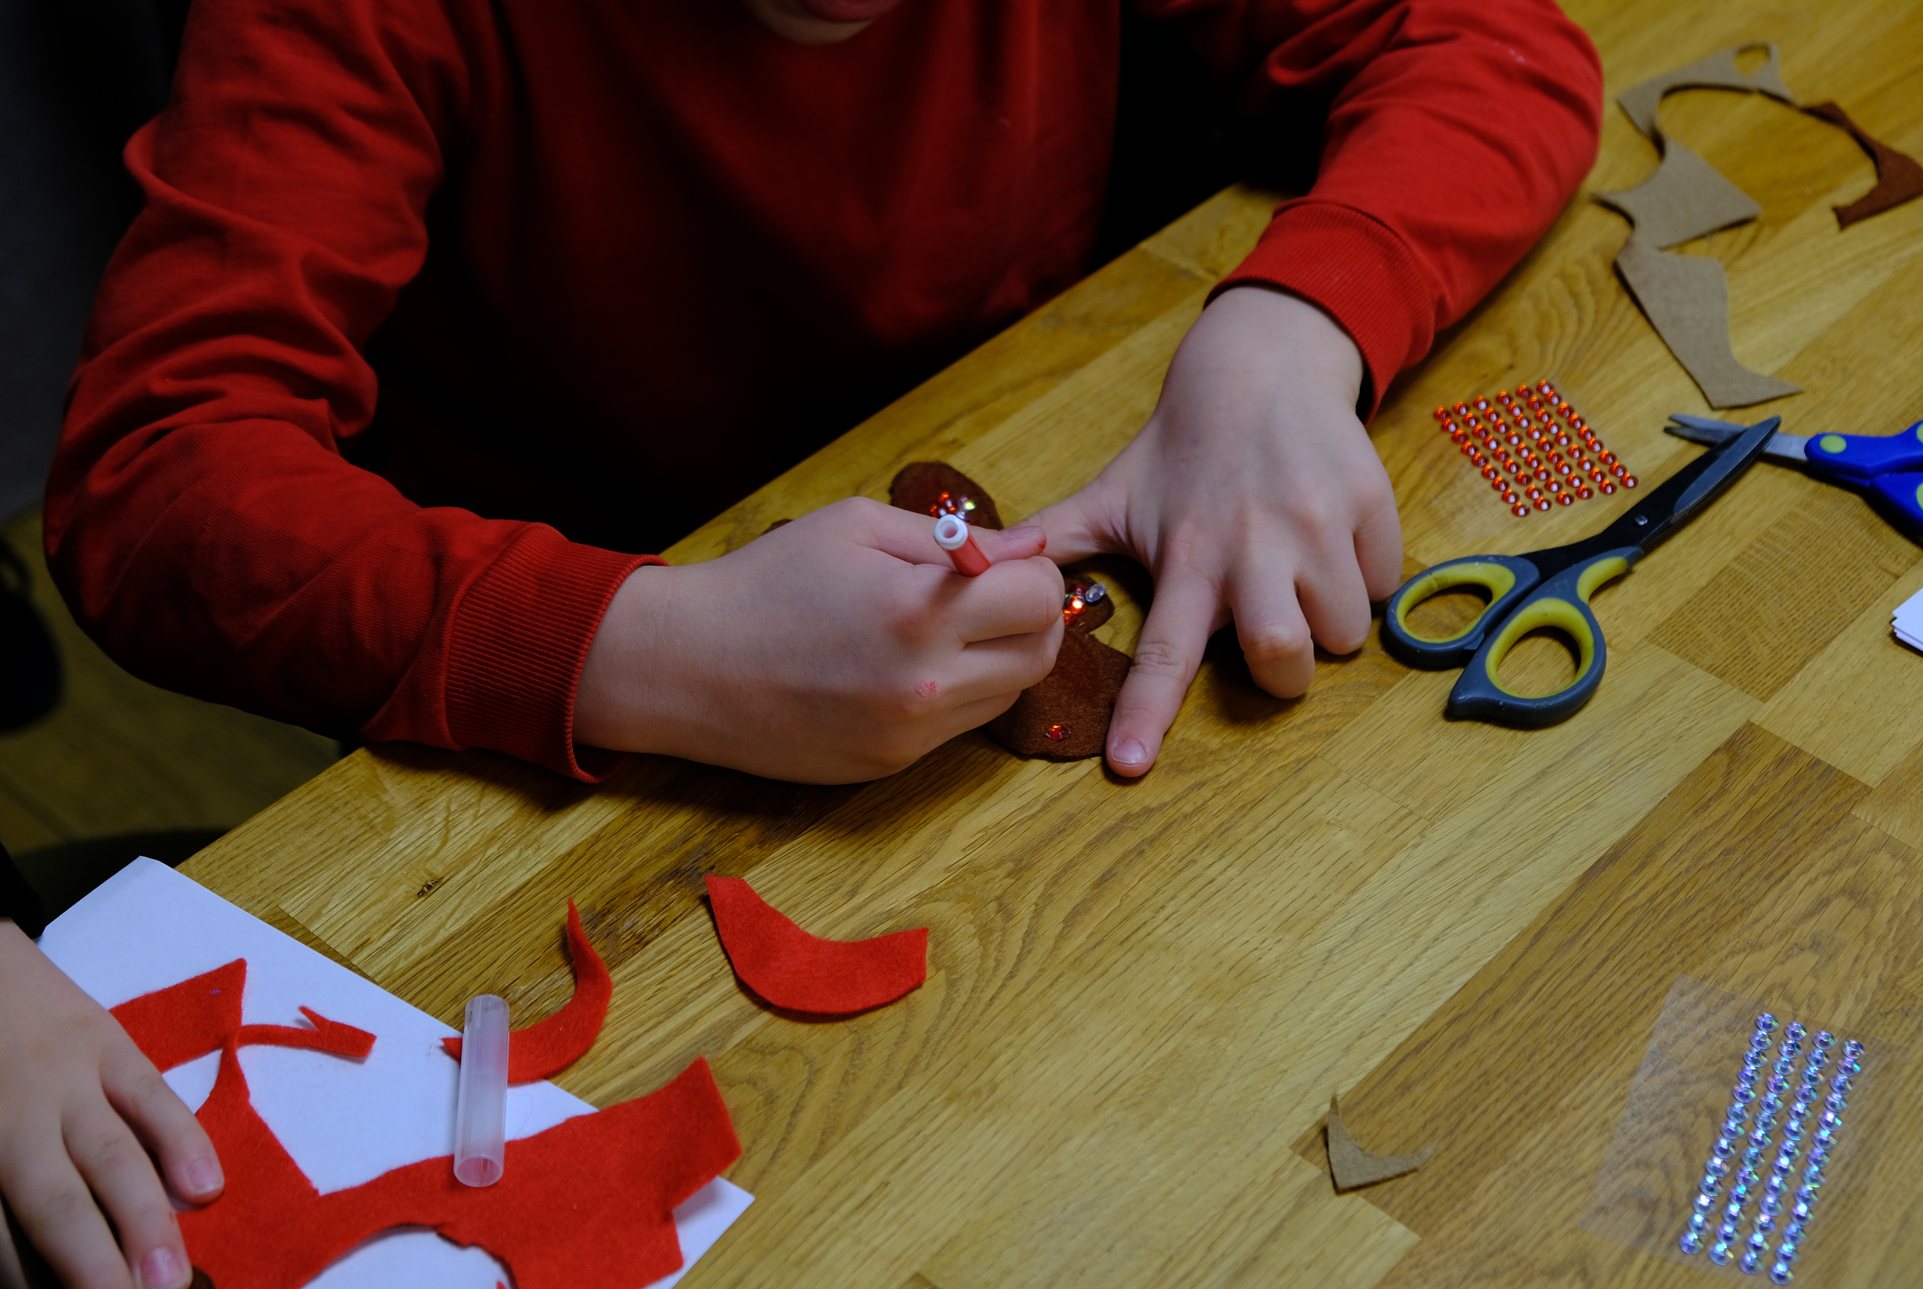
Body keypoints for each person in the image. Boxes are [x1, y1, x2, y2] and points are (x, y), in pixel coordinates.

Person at [20, 0, 1601, 1281]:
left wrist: (1288, 330)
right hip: (561, 769)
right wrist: (649, 643)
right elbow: (158, 477)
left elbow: (1490, 43)